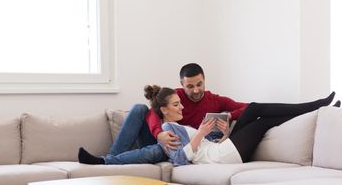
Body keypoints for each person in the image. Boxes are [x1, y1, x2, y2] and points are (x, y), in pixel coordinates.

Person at [78, 63, 248, 165]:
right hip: (162, 137)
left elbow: (247, 107)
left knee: (160, 151)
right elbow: (153, 112)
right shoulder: (175, 96)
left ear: (204, 80)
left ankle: (106, 162)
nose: (196, 90)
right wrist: (159, 134)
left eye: (199, 84)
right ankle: (111, 158)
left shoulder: (215, 100)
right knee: (139, 108)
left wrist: (230, 116)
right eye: (190, 86)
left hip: (179, 146)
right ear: (182, 84)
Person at [145, 85, 338, 165]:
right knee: (260, 120)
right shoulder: (167, 129)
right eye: (177, 104)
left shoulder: (180, 126)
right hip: (220, 158)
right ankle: (315, 108)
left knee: (255, 111)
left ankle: (315, 108)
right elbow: (179, 160)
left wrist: (226, 133)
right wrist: (200, 133)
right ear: (164, 109)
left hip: (221, 150)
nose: (182, 107)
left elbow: (206, 148)